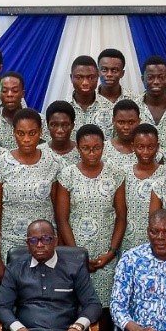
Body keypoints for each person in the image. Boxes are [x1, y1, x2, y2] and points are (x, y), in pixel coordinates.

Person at [53, 125, 127, 311]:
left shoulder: (116, 174)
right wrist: (77, 255)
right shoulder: (67, 174)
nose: (92, 153)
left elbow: (121, 216)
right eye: (86, 148)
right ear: (78, 148)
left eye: (97, 148)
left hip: (105, 253)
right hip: (75, 251)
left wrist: (111, 252)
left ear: (104, 147)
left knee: (105, 308)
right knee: (75, 307)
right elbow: (62, 219)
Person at [0, 109, 61, 286]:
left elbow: (58, 211)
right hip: (11, 243)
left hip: (45, 244)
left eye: (32, 133)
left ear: (41, 132)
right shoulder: (0, 164)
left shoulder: (54, 163)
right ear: (13, 132)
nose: (26, 139)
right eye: (21, 133)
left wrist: (59, 245)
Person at [67, 55, 115, 136]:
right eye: (79, 77)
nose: (85, 83)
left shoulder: (111, 109)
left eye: (91, 77)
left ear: (98, 77)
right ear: (71, 78)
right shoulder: (61, 110)